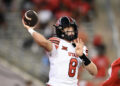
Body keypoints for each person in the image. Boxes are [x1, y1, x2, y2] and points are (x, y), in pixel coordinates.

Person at [22, 12, 97, 86]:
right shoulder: (57, 42)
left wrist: (82, 56)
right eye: (67, 29)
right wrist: (30, 30)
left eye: (72, 28)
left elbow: (94, 72)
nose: (70, 31)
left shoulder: (80, 47)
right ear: (60, 30)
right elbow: (43, 42)